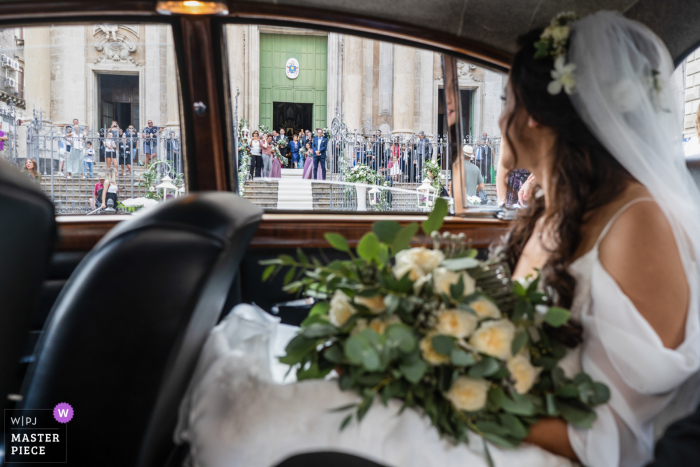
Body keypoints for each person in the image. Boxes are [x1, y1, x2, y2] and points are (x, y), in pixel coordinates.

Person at [173, 12, 700, 467]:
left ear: (535, 117)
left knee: (270, 414)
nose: (498, 120)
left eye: (505, 101)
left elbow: (608, 438)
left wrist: (433, 379)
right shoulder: (558, 208)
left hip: (541, 448)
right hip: (503, 411)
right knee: (270, 376)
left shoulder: (639, 224)